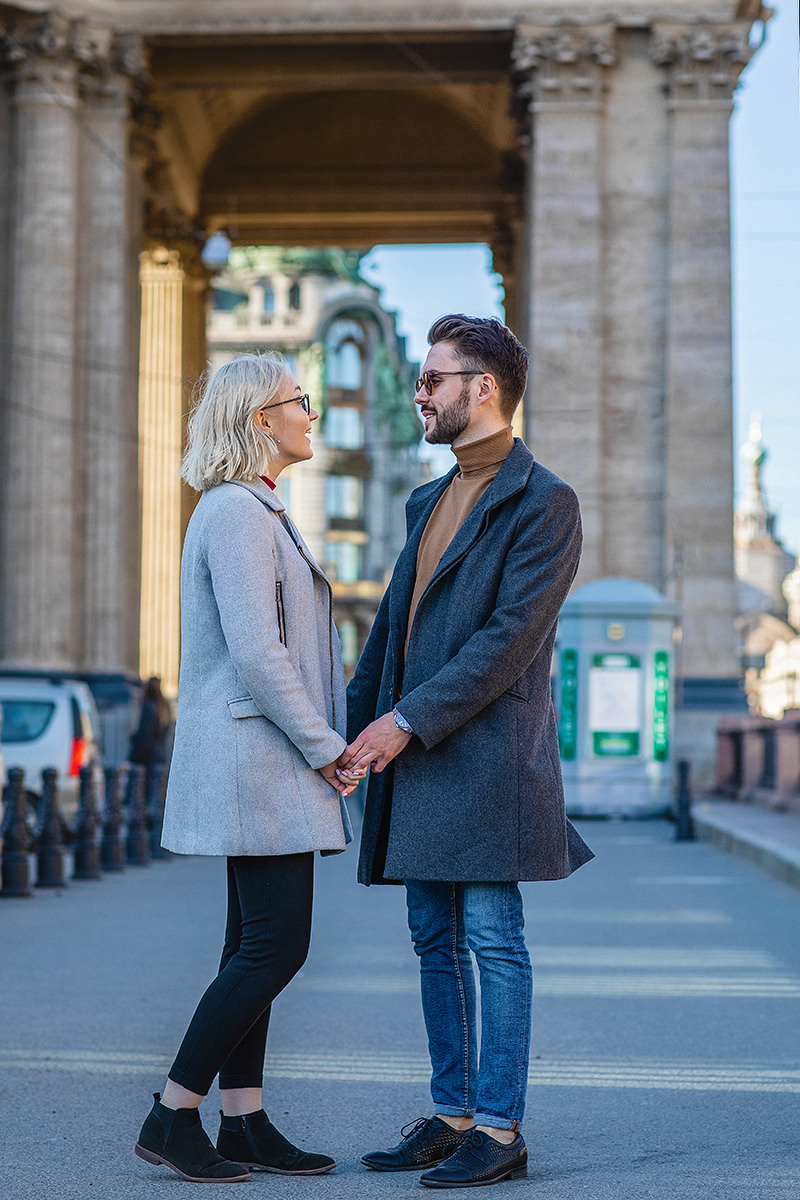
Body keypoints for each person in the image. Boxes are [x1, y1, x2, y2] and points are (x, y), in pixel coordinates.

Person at [340, 315, 595, 1189]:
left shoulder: (545, 501)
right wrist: (346, 732)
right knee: (432, 939)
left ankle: (499, 1127)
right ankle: (452, 1116)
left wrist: (404, 722)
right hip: (416, 753)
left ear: (483, 388)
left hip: (486, 756)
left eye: (433, 379)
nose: (420, 394)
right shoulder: (427, 499)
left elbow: (508, 641)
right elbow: (391, 633)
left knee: (492, 938)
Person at [135, 352, 364, 1184]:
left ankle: (244, 1121)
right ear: (262, 419)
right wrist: (326, 746)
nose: (311, 412)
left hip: (261, 755)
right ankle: (172, 1114)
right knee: (275, 947)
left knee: (252, 944)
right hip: (260, 755)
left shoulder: (254, 507)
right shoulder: (236, 511)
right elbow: (260, 654)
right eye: (299, 400)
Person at [129, 676, 172, 768]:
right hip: (160, 754)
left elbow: (145, 734)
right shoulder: (164, 707)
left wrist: (134, 756)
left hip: (149, 756)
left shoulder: (148, 707)